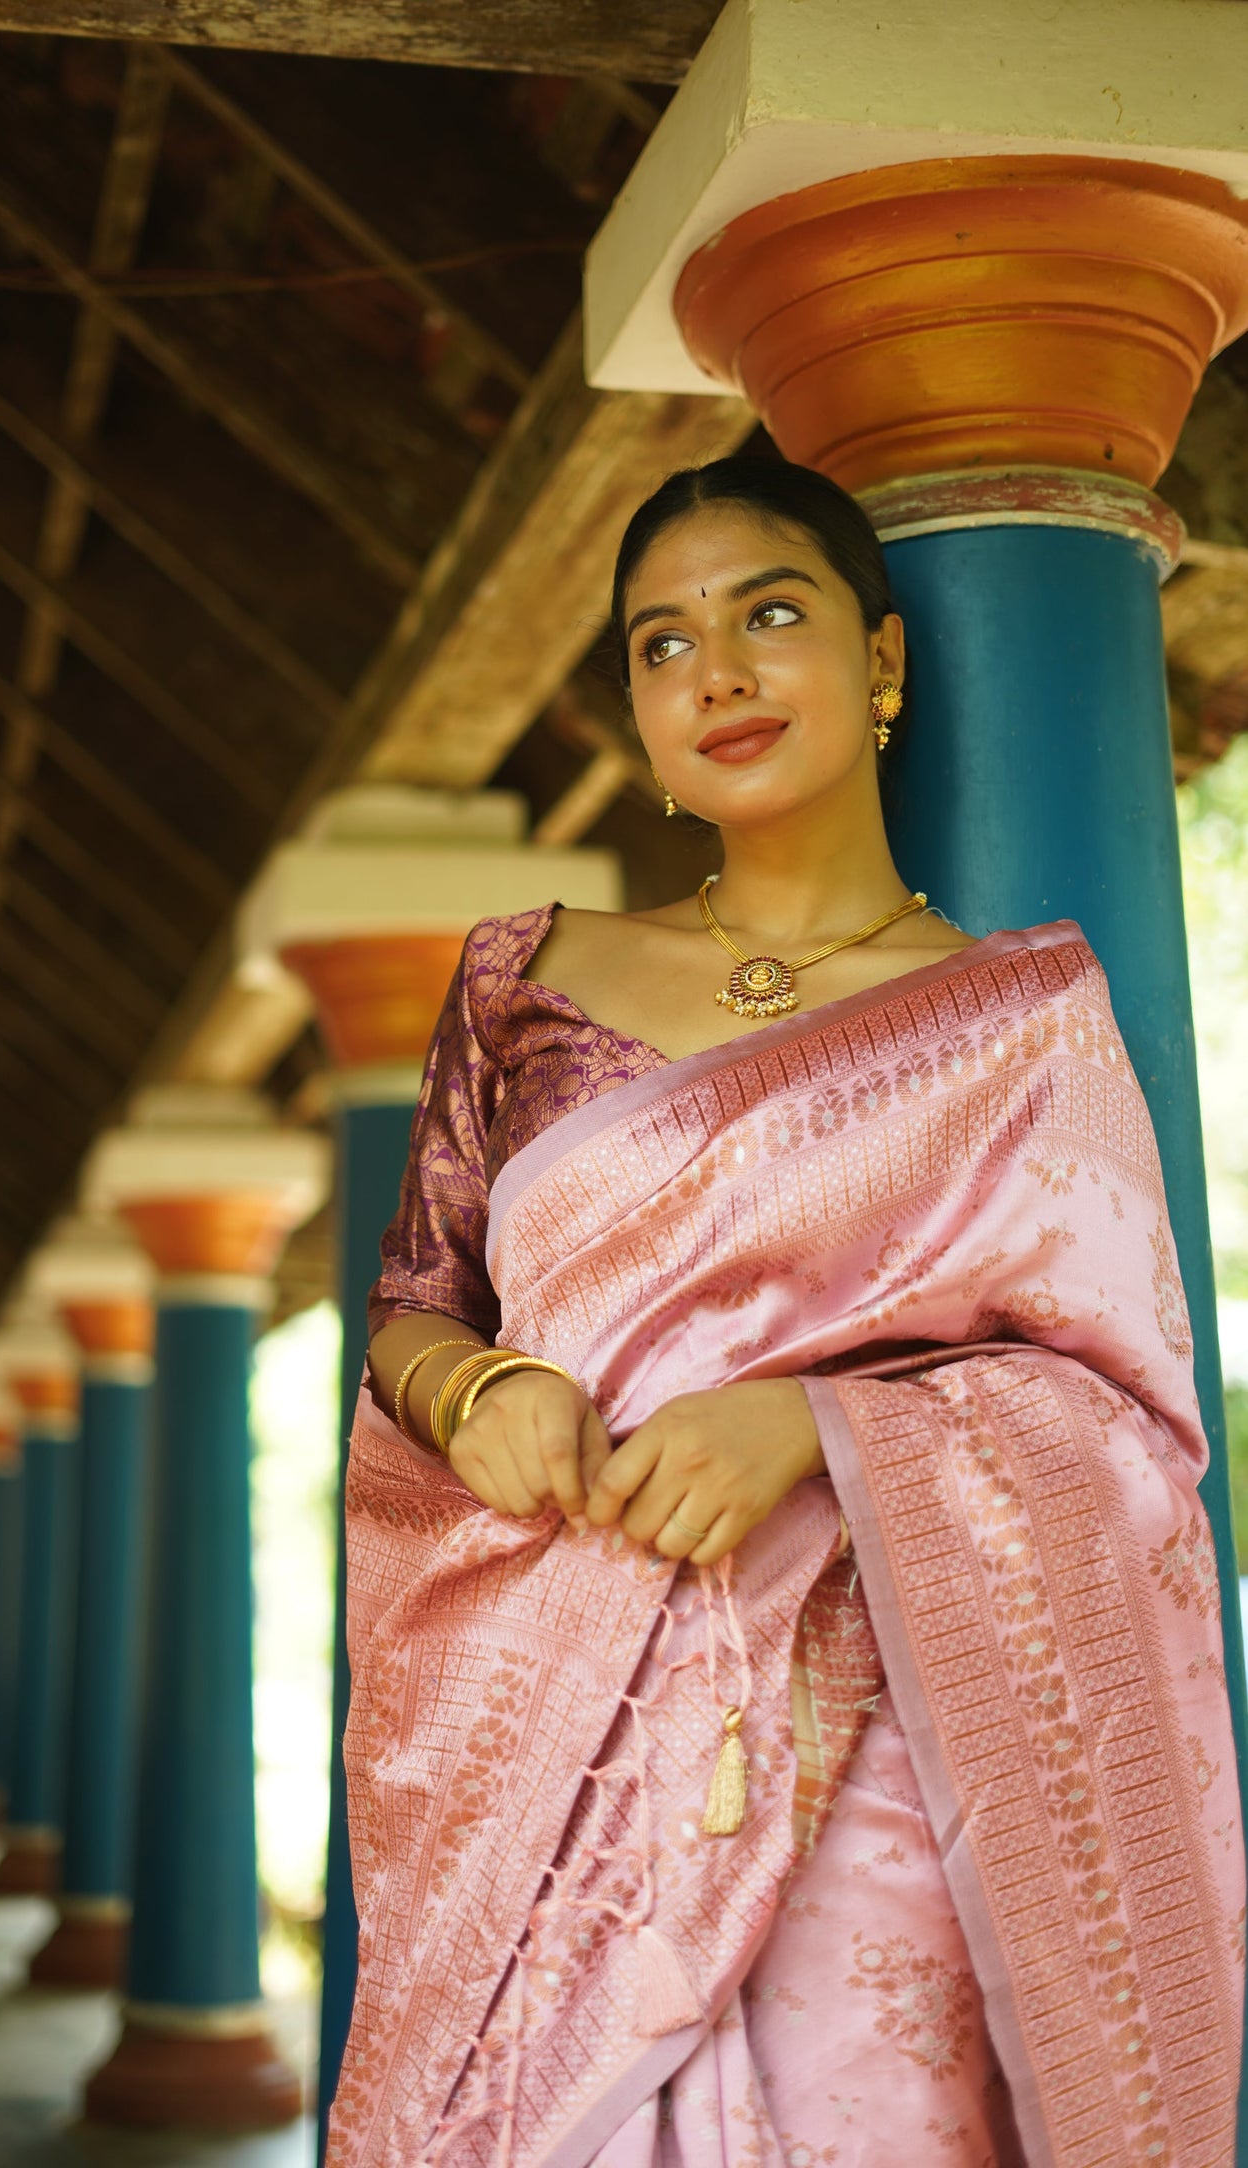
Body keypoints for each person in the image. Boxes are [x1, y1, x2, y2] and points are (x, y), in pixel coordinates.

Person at [327, 457, 1244, 2167]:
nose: (719, 673)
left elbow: (1129, 1419)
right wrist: (475, 1395)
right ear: (636, 716)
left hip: (879, 1750)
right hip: (560, 1725)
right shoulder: (523, 982)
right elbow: (410, 1302)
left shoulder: (1017, 1020)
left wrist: (815, 1424)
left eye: (769, 614)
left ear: (882, 662)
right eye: (663, 647)